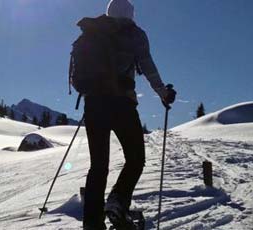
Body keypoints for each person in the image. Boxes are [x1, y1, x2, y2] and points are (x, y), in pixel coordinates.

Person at [80, 0, 176, 229]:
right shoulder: (134, 34)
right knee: (135, 159)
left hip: (93, 104)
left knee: (98, 166)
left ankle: (92, 224)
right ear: (130, 14)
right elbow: (147, 65)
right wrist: (163, 92)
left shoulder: (92, 33)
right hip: (121, 103)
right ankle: (118, 201)